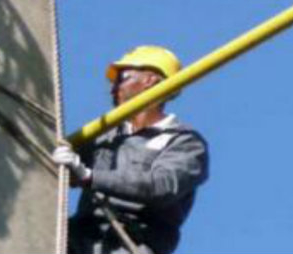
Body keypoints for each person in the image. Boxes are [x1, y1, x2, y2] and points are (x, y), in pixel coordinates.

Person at [53, 45, 209, 254]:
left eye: (122, 78)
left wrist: (90, 176)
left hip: (130, 245)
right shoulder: (103, 135)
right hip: (78, 240)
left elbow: (160, 186)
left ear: (150, 81)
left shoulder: (184, 142)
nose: (113, 87)